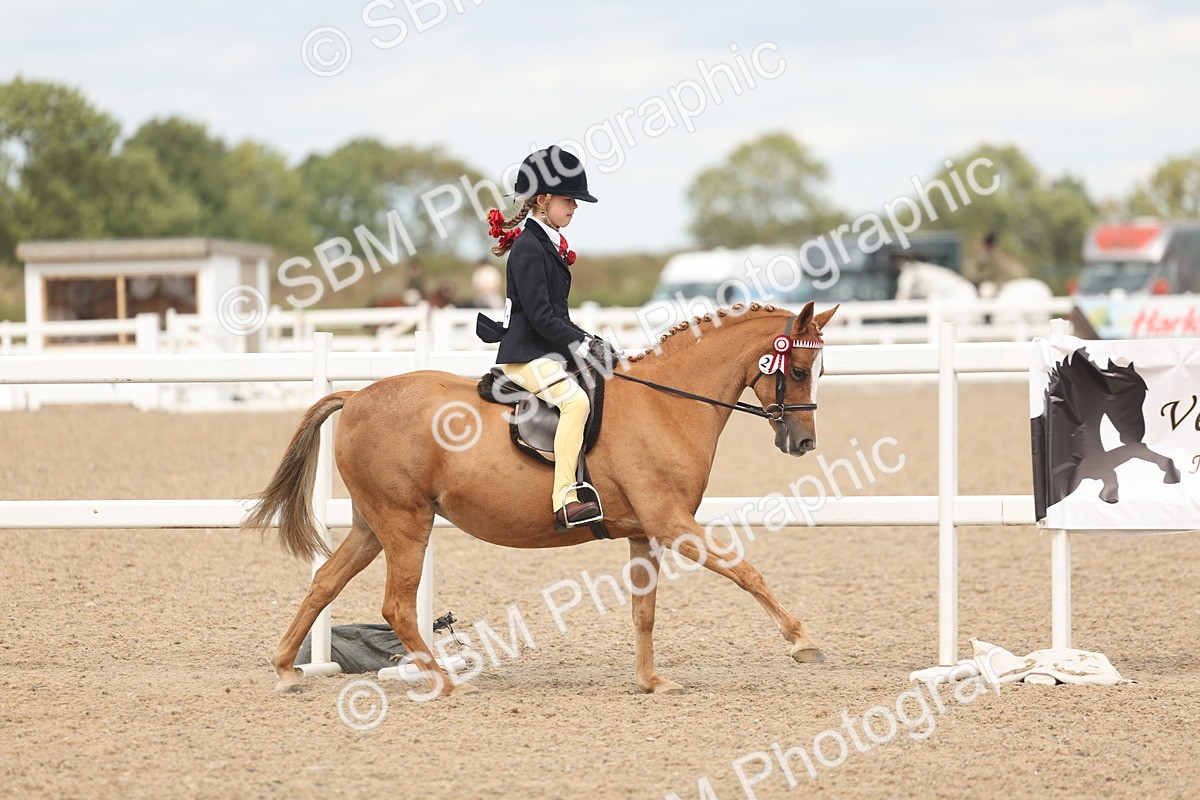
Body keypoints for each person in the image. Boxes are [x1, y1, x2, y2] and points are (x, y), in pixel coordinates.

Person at [482, 145, 614, 528]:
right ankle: (565, 498)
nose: (575, 207)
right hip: (525, 355)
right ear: (543, 200)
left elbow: (557, 315)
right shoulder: (527, 248)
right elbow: (540, 316)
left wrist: (586, 339)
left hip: (547, 350)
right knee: (575, 403)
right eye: (569, 200)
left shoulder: (546, 243)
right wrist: (582, 343)